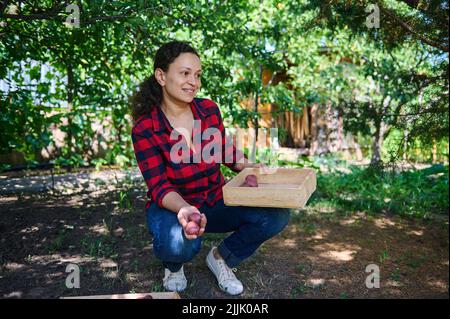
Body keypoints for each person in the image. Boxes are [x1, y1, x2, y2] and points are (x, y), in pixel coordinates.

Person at [131, 41, 290, 295]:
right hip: (174, 207)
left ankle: (221, 258)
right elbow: (159, 186)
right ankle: (173, 265)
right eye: (184, 73)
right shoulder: (145, 128)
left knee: (276, 216)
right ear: (161, 76)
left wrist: (249, 167)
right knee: (178, 243)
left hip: (215, 199)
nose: (193, 82)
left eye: (197, 75)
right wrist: (184, 208)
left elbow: (223, 150)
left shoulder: (208, 110)